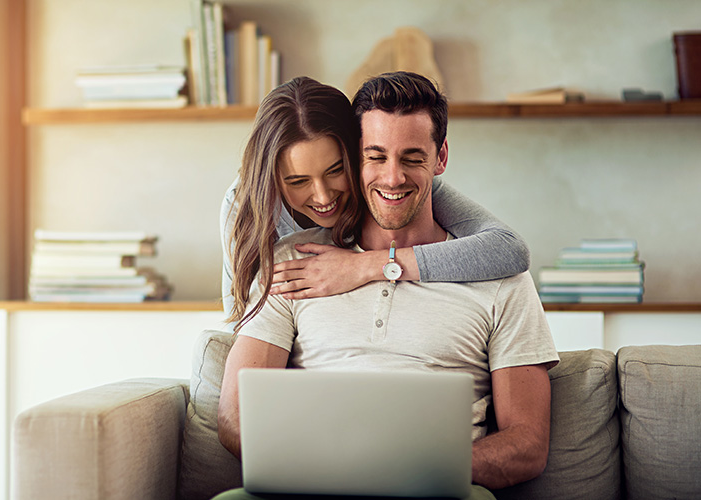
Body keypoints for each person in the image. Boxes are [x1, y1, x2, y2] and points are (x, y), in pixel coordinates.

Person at [215, 72, 560, 499]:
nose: (393, 178)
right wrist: (324, 468)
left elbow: (527, 445)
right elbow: (234, 415)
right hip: (310, 484)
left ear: (440, 158)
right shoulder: (291, 260)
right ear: (356, 156)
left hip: (434, 487)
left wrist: (418, 467)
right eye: (375, 156)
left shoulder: (502, 277)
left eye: (413, 158)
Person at [220, 76, 530, 332]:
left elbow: (508, 249)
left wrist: (364, 265)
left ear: (355, 156)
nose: (324, 197)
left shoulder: (401, 185)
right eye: (298, 181)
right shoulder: (245, 206)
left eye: (336, 170)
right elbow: (243, 321)